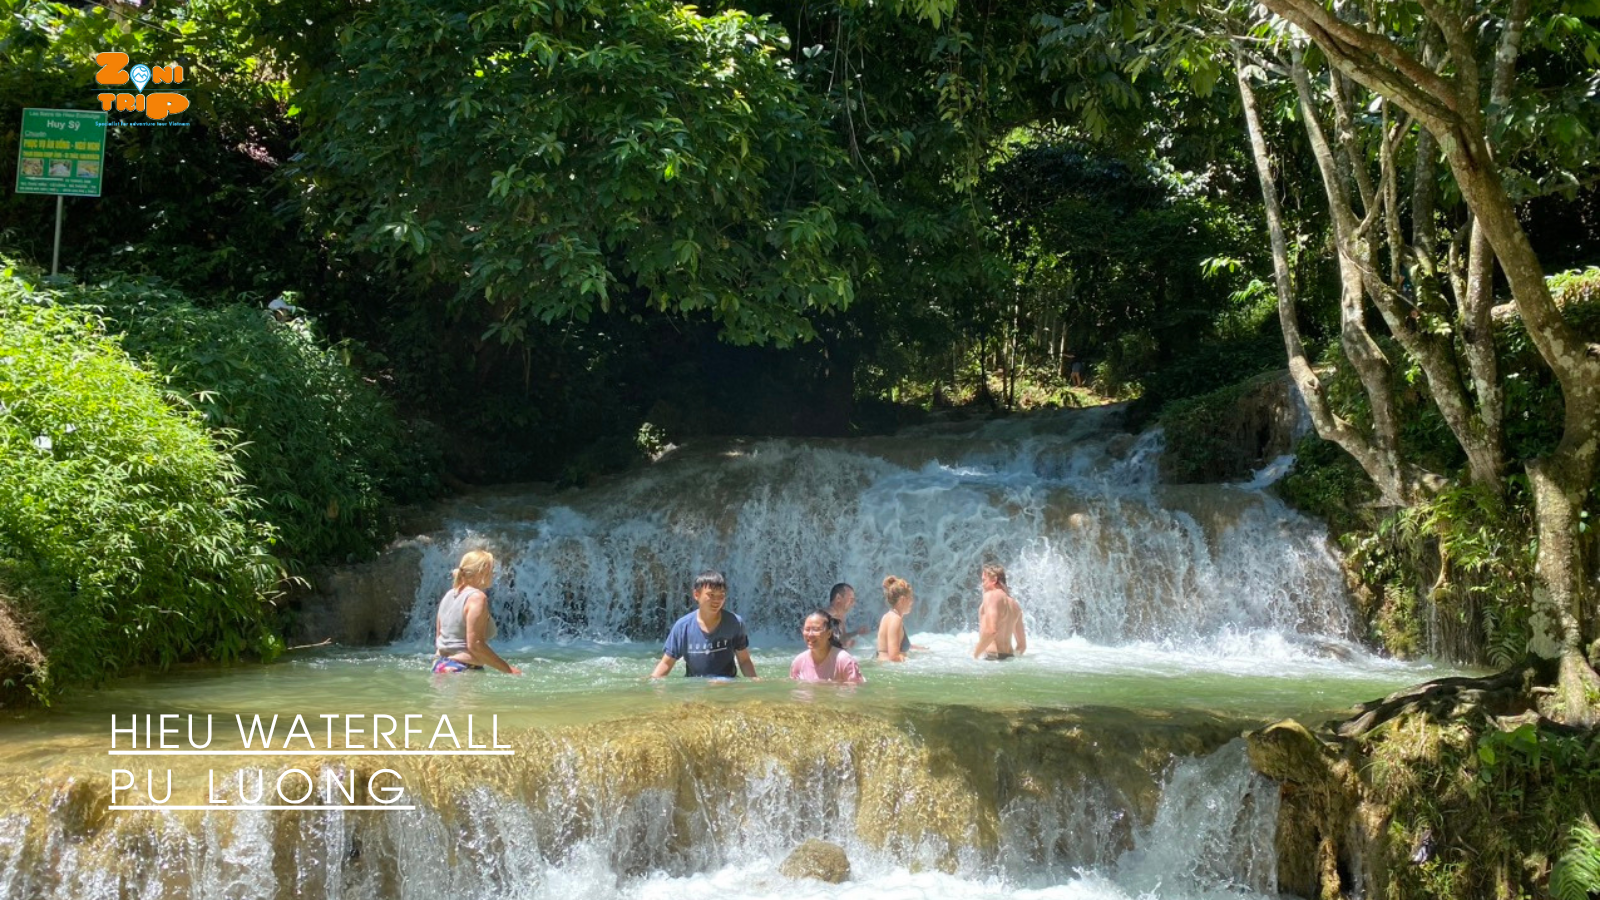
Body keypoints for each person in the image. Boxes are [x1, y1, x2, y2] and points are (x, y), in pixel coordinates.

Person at [650, 570, 758, 679]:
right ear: (696, 595)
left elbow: (744, 660)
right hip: (694, 688)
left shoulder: (735, 623)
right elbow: (666, 663)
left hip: (727, 686)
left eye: (721, 595)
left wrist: (755, 681)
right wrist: (653, 682)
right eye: (711, 595)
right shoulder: (683, 627)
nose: (717, 600)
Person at [433, 550, 522, 674]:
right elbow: (475, 645)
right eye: (492, 570)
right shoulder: (477, 598)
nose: (494, 574)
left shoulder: (448, 595)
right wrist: (509, 670)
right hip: (463, 669)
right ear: (482, 571)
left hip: (441, 666)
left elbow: (439, 639)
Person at [791, 610, 865, 684]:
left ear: (829, 633)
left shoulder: (844, 661)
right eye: (807, 629)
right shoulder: (798, 662)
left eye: (816, 630)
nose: (810, 635)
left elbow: (856, 691)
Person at [973, 562, 1027, 661]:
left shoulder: (992, 595)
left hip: (992, 659)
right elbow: (1022, 646)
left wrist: (975, 655)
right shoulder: (1015, 604)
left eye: (984, 580)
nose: (982, 585)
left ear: (994, 579)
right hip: (1009, 659)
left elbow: (991, 631)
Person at [876, 576, 922, 662]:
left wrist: (916, 649)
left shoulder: (887, 616)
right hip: (889, 670)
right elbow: (893, 656)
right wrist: (916, 661)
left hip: (882, 666)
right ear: (902, 600)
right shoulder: (896, 620)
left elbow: (889, 646)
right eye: (910, 598)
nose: (912, 601)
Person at [825, 582, 871, 649]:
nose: (853, 603)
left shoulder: (840, 616)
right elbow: (823, 645)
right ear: (838, 598)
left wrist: (857, 632)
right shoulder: (826, 616)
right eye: (851, 600)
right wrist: (844, 644)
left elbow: (842, 637)